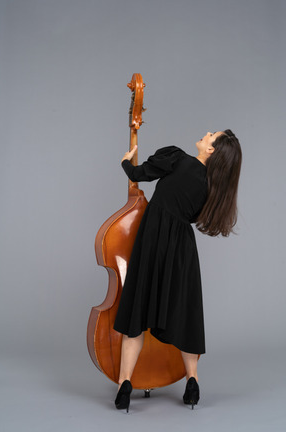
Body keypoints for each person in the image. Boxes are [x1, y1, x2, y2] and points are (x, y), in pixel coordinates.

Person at [113, 130, 242, 411]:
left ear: (211, 151)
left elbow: (139, 173)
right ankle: (192, 381)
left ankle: (125, 384)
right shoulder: (214, 188)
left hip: (152, 240)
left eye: (211, 136)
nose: (206, 133)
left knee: (139, 305)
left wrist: (125, 162)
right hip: (182, 248)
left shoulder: (178, 159)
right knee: (185, 311)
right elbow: (195, 217)